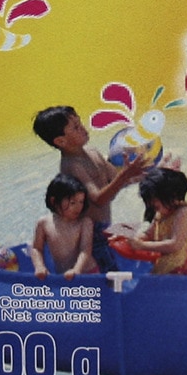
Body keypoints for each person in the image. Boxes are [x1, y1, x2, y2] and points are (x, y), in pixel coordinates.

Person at [32, 105, 145, 272]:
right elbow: (99, 199)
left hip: (105, 227)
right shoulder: (72, 166)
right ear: (61, 141)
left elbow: (118, 179)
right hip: (90, 234)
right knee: (109, 272)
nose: (83, 129)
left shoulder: (93, 152)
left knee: (145, 232)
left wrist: (149, 174)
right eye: (76, 127)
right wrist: (124, 175)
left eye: (80, 123)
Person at [109, 167, 187, 275]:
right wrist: (127, 239)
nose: (153, 206)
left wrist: (142, 246)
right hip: (161, 270)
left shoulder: (184, 213)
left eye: (155, 203)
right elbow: (148, 234)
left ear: (170, 196)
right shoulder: (160, 214)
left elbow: (175, 244)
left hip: (179, 274)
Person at [30, 174, 97, 281]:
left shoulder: (84, 223)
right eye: (72, 202)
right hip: (63, 276)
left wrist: (77, 269)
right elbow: (36, 248)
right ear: (53, 201)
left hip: (88, 273)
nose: (78, 207)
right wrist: (39, 266)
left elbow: (85, 250)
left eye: (81, 201)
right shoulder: (44, 223)